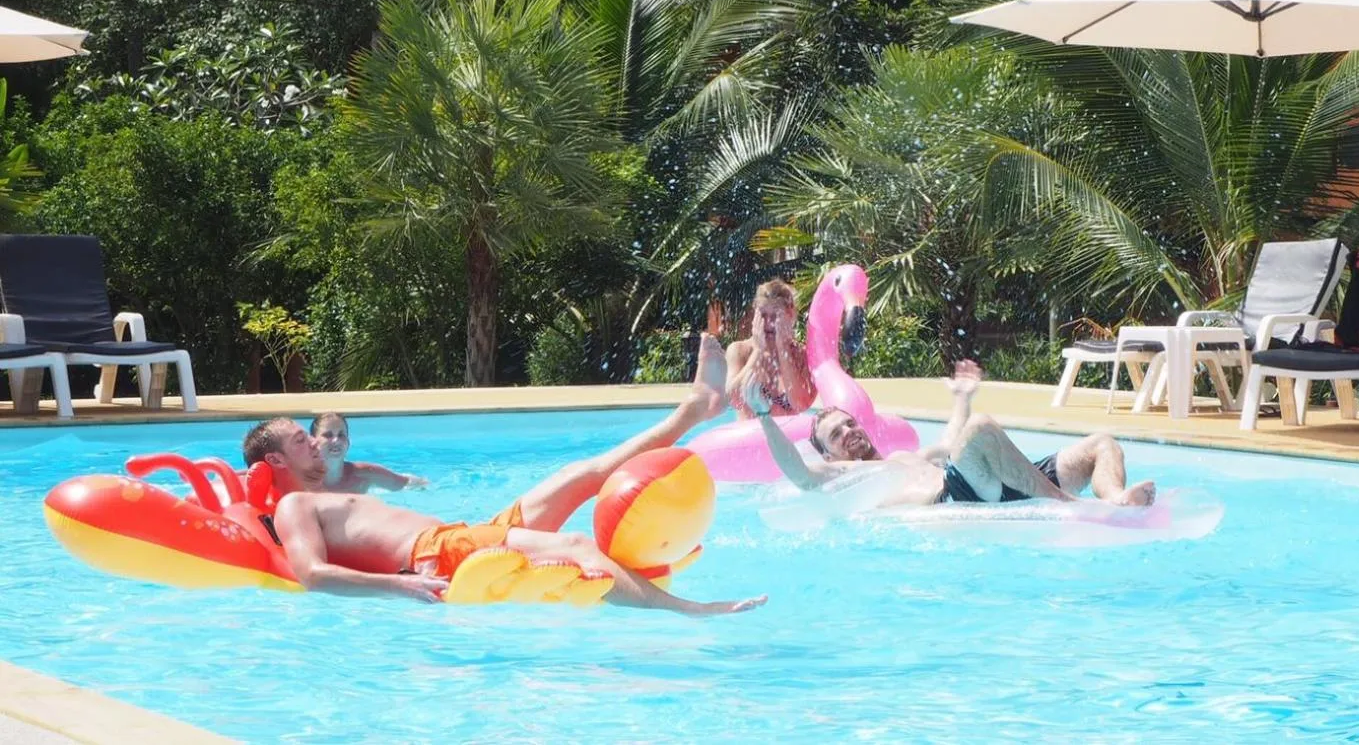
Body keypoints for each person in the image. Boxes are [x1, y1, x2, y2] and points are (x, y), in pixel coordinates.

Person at [242, 334, 767, 615]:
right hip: (440, 554)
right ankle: (693, 610)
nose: (314, 440)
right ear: (277, 463)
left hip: (462, 534)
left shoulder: (340, 483)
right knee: (582, 547)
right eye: (299, 440)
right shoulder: (295, 506)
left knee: (581, 474)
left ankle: (696, 410)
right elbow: (312, 575)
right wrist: (400, 589)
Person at [749, 360, 1156, 508]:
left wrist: (962, 397)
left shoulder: (900, 459)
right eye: (837, 434)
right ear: (830, 454)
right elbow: (800, 475)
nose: (850, 431)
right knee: (982, 427)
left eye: (850, 423)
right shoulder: (843, 478)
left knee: (1101, 443)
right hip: (957, 493)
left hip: (994, 479)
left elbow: (949, 443)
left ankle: (1117, 499)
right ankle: (1068, 503)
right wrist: (765, 415)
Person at [725, 278, 816, 418]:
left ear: (790, 315)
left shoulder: (802, 355)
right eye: (763, 315)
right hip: (752, 437)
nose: (768, 323)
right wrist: (758, 351)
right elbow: (734, 400)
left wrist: (783, 349)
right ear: (755, 315)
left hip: (786, 438)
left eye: (775, 316)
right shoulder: (739, 351)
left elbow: (801, 404)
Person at [311, 412, 429, 493]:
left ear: (348, 443)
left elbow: (408, 483)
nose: (336, 440)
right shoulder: (302, 480)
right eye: (328, 435)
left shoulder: (363, 475)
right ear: (313, 443)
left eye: (341, 435)